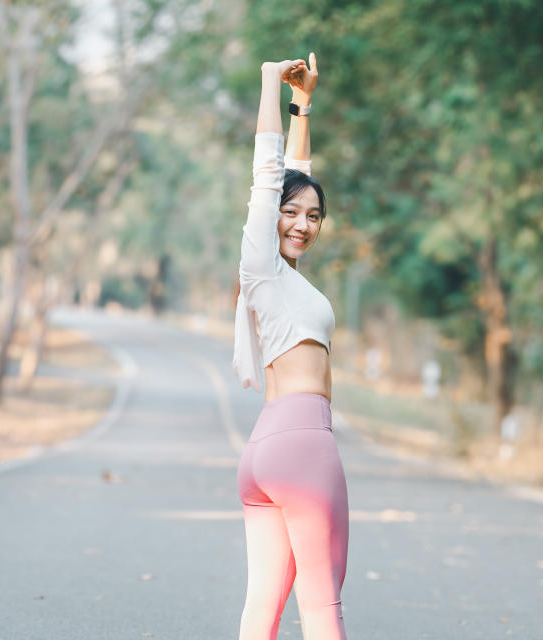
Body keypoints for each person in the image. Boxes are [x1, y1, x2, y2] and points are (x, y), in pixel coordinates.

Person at [232, 53, 349, 640]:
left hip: (265, 450)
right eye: (290, 214)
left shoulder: (282, 277)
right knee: (322, 601)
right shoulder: (260, 265)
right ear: (268, 219)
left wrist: (305, 103)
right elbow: (271, 173)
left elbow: (294, 173)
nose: (303, 223)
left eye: (314, 216)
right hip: (303, 443)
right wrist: (267, 86)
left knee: (265, 606)